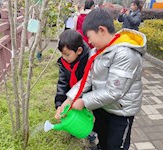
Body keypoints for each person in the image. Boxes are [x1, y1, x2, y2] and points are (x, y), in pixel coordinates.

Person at [58, 8, 147, 150]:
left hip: (120, 113)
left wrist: (85, 101)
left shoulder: (125, 54)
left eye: (90, 37)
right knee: (103, 141)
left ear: (102, 30)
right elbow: (89, 78)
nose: (89, 42)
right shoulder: (97, 51)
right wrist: (70, 99)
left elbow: (114, 92)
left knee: (116, 146)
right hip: (103, 106)